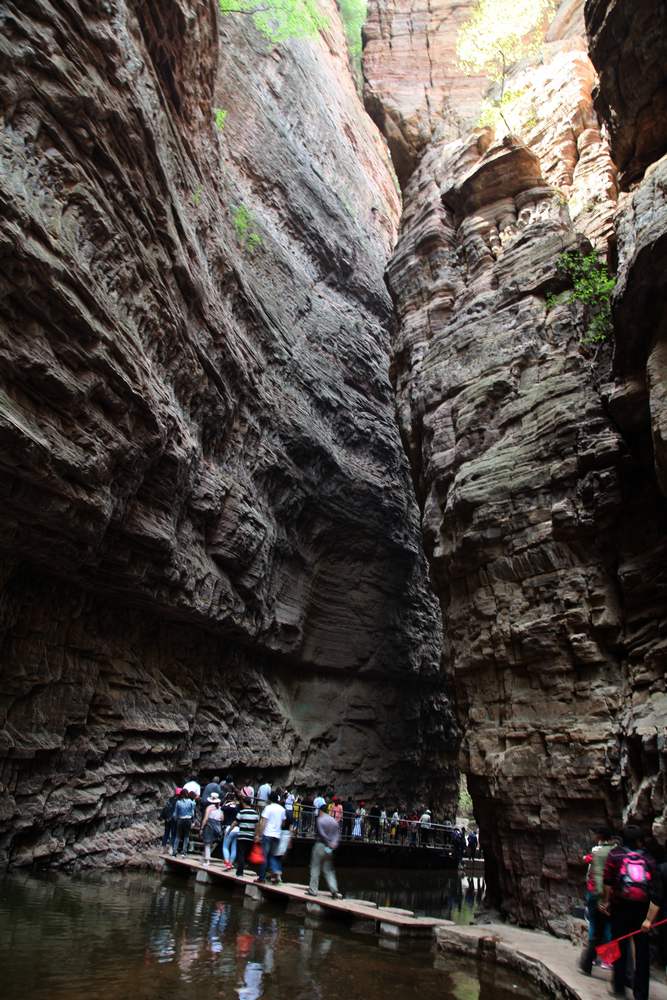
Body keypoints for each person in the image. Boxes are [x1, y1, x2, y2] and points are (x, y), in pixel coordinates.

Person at [601, 825, 662, 1000]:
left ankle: (619, 986)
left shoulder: (615, 855)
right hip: (642, 910)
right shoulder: (649, 859)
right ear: (639, 841)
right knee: (642, 952)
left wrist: (606, 901)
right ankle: (641, 994)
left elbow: (607, 881)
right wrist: (649, 919)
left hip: (620, 907)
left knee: (618, 945)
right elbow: (656, 891)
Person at [578, 826, 616, 976]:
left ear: (600, 836)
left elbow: (596, 872)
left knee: (594, 925)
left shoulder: (597, 851)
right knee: (608, 927)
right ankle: (609, 960)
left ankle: (593, 958)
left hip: (597, 893)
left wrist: (602, 898)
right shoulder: (616, 851)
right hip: (611, 895)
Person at [306, 802, 343, 899]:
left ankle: (313, 890)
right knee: (329, 870)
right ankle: (334, 890)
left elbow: (322, 834)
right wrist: (333, 844)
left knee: (315, 868)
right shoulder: (334, 821)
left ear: (320, 810)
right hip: (329, 848)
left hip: (320, 845)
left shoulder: (320, 820)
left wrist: (327, 842)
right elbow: (337, 835)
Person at [256, 791, 286, 884]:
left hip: (267, 835)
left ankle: (261, 878)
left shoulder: (268, 808)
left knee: (264, 857)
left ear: (269, 799)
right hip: (276, 835)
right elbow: (283, 823)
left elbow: (263, 822)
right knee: (273, 856)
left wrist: (259, 835)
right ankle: (276, 872)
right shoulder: (282, 809)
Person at [235, 796, 260, 877]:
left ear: (244, 803)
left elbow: (236, 822)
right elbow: (257, 826)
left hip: (242, 835)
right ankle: (244, 867)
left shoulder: (241, 812)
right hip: (250, 837)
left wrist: (229, 831)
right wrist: (256, 835)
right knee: (246, 853)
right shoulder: (255, 813)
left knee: (241, 854)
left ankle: (239, 872)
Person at [172, 788, 196, 856]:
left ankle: (174, 852)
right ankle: (184, 852)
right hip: (188, 820)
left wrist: (176, 819)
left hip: (180, 819)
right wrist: (193, 821)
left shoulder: (178, 802)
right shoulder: (191, 802)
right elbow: (192, 813)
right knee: (186, 836)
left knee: (178, 836)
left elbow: (175, 813)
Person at [201, 792, 224, 865]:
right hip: (218, 826)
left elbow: (206, 818)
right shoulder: (220, 809)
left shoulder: (209, 807)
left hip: (210, 826)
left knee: (207, 844)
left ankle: (207, 861)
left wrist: (202, 827)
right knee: (211, 844)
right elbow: (222, 819)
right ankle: (205, 858)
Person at [222, 792, 240, 870]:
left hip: (229, 827)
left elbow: (222, 808)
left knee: (225, 847)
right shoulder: (237, 806)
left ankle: (227, 863)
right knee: (234, 847)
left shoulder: (226, 806)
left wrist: (225, 802)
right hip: (237, 829)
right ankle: (231, 863)